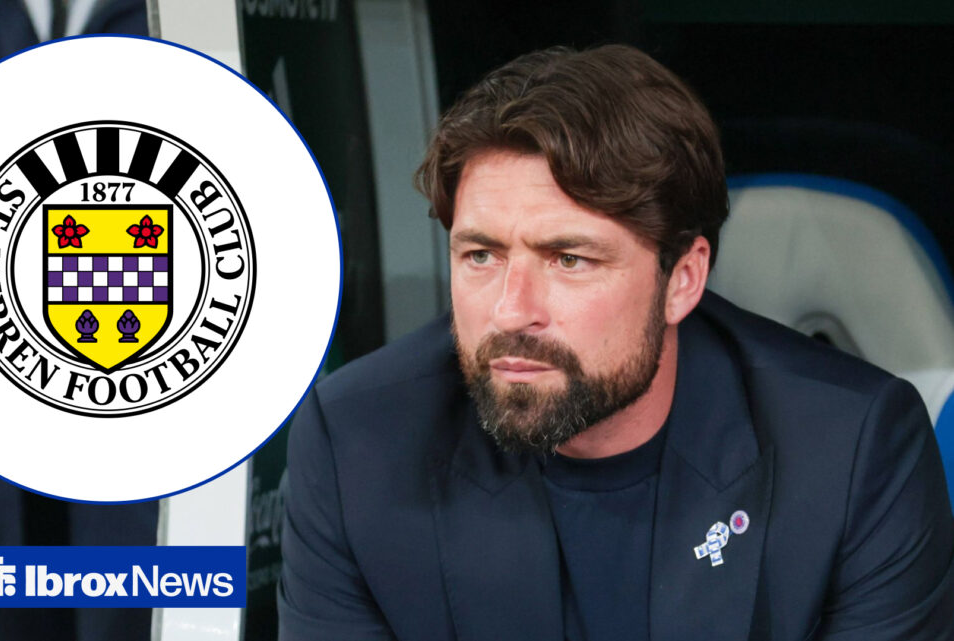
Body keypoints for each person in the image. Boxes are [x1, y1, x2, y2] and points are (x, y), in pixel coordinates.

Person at [277, 44, 954, 641]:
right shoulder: (356, 445)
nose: (512, 311)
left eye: (569, 259)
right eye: (480, 255)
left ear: (683, 279)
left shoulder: (854, 451)